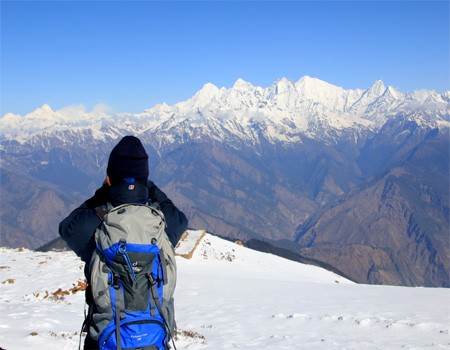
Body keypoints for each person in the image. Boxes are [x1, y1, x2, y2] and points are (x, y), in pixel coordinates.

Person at [59, 135, 188, 349]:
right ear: (144, 177)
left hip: (105, 339)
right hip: (154, 340)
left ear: (110, 177)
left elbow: (67, 227)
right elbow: (180, 218)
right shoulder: (161, 222)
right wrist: (147, 186)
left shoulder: (96, 222)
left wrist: (104, 192)